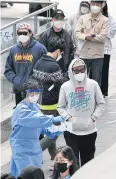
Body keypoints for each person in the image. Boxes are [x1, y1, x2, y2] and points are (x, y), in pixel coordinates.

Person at [9, 78, 65, 178]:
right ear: (25, 93)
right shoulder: (21, 110)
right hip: (22, 151)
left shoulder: (35, 107)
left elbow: (43, 126)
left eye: (37, 92)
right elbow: (36, 119)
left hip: (35, 151)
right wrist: (54, 119)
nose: (35, 95)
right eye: (32, 92)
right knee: (24, 176)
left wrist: (57, 130)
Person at [57, 58, 105, 168]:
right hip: (71, 132)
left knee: (88, 164)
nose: (80, 73)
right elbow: (60, 107)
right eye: (76, 71)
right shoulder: (65, 87)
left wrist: (93, 118)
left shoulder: (93, 84)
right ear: (71, 71)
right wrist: (68, 117)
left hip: (89, 131)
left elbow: (101, 104)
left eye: (82, 70)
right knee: (73, 164)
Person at [33, 37, 66, 171]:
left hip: (40, 104)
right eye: (61, 53)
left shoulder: (38, 62)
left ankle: (54, 160)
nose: (61, 55)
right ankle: (35, 152)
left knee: (49, 133)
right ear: (57, 51)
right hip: (52, 105)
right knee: (54, 133)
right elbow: (61, 85)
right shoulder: (54, 66)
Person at [4, 22, 47, 106]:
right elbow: (8, 69)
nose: (22, 35)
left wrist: (34, 81)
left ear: (30, 33)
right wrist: (16, 80)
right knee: (21, 115)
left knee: (34, 115)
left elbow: (45, 68)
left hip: (34, 90)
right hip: (19, 90)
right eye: (20, 33)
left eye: (25, 33)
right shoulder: (14, 50)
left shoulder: (40, 48)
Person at [75, 0, 109, 86]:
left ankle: (94, 98)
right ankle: (81, 98)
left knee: (96, 81)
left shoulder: (105, 20)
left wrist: (91, 37)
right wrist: (86, 37)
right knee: (81, 79)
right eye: (93, 4)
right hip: (83, 54)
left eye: (97, 4)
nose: (95, 6)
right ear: (90, 4)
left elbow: (103, 37)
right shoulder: (83, 18)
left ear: (102, 5)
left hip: (97, 56)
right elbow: (77, 33)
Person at [39, 9, 75, 73]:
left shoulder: (67, 35)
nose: (59, 20)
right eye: (57, 18)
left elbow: (71, 51)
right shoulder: (45, 35)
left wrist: (69, 66)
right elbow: (40, 53)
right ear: (52, 20)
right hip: (49, 70)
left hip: (64, 69)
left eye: (61, 19)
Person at [101, 1, 116, 97]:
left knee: (104, 69)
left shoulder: (109, 16)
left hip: (106, 48)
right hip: (93, 48)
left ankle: (103, 91)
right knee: (94, 70)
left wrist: (107, 34)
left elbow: (114, 28)